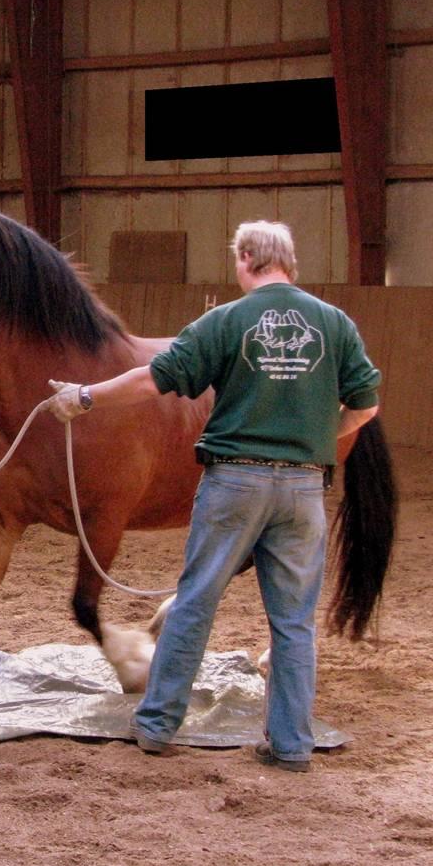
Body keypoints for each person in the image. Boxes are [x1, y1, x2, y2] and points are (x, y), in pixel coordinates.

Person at [46, 220, 380, 772]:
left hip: (235, 482)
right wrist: (317, 441)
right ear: (289, 263)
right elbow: (366, 407)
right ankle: (291, 746)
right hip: (302, 491)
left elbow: (150, 381)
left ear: (247, 258)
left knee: (195, 602)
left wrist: (85, 397)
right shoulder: (335, 324)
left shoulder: (225, 321)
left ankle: (156, 727)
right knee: (293, 623)